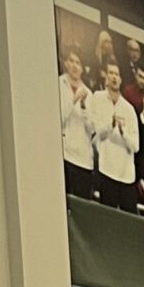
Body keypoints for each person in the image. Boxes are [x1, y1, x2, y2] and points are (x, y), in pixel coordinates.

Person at [85, 60, 139, 212]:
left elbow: (136, 146)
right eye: (111, 73)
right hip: (106, 169)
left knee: (129, 219)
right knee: (107, 215)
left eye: (117, 74)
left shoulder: (129, 109)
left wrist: (123, 132)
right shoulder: (97, 98)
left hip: (126, 175)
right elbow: (96, 132)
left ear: (121, 79)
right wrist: (111, 125)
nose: (114, 77)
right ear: (106, 76)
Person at [58, 48, 95, 200]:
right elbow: (59, 118)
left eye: (78, 63)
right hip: (65, 154)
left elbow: (92, 129)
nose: (74, 65)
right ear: (66, 63)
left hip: (84, 160)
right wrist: (74, 100)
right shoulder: (59, 84)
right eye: (71, 61)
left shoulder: (89, 93)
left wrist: (84, 106)